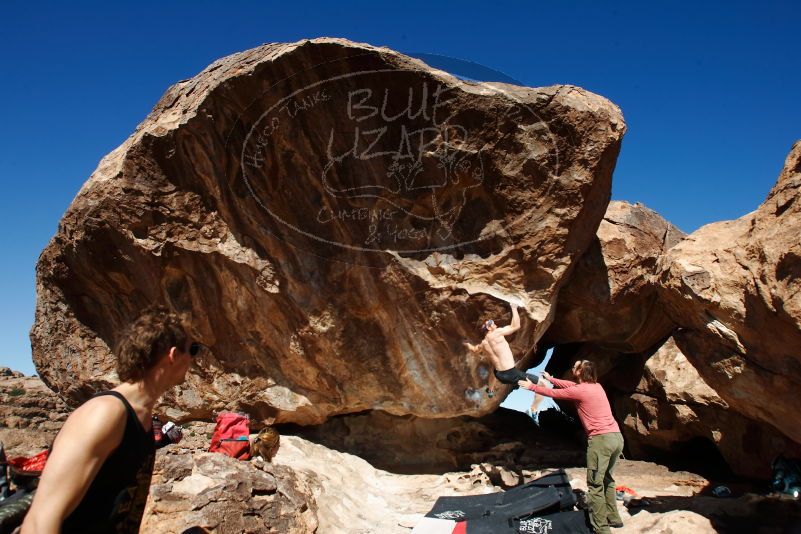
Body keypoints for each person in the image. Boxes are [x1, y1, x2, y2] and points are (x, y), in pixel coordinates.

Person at [21, 306, 199, 534]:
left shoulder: (141, 417)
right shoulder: (105, 414)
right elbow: (38, 523)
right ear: (173, 355)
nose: (194, 359)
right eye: (193, 349)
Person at [519, 360, 624, 534]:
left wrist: (531, 387)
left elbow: (554, 394)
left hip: (601, 441)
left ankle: (602, 529)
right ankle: (614, 518)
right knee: (608, 479)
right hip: (616, 438)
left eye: (576, 366)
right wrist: (552, 378)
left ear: (580, 371)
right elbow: (570, 385)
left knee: (595, 484)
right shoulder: (596, 386)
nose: (573, 367)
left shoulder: (580, 391)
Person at [463, 303, 531, 396]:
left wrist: (467, 344)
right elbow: (516, 326)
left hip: (499, 373)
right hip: (510, 373)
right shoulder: (497, 332)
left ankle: (490, 390)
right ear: (488, 328)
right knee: (537, 381)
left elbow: (474, 349)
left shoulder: (483, 343)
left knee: (494, 372)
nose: (493, 323)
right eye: (490, 323)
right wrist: (514, 308)